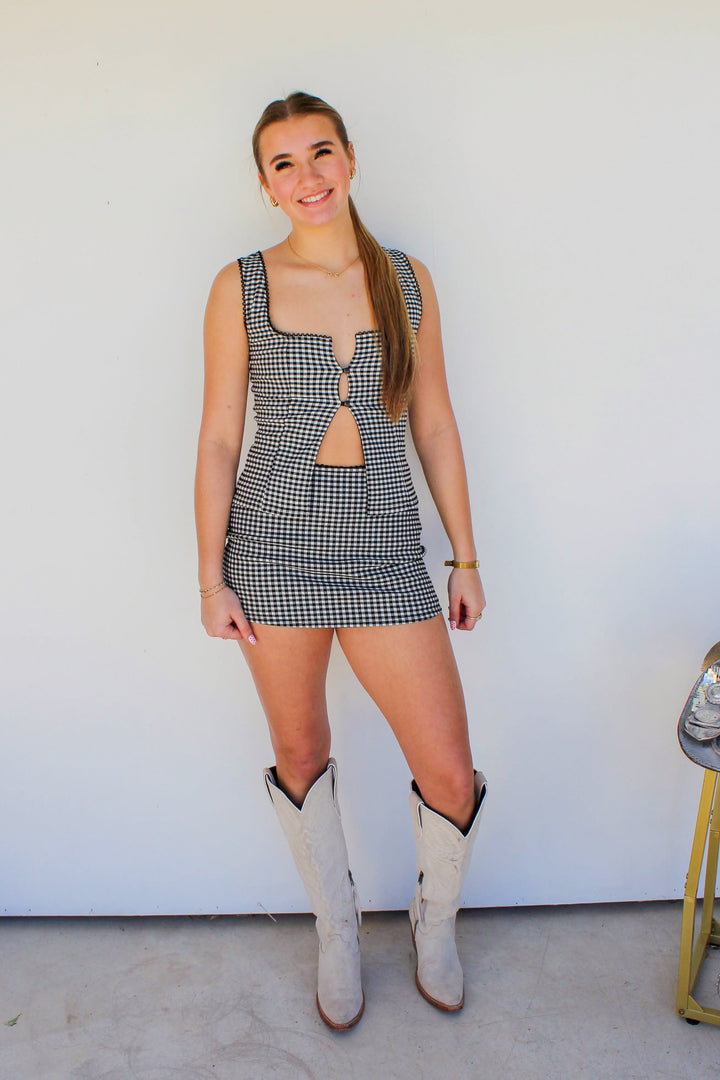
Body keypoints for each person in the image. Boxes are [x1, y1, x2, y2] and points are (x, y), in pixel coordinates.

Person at [194, 91, 487, 1030]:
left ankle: (433, 925)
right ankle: (338, 929)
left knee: (449, 770)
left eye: (321, 154)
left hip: (386, 541)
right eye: (284, 163)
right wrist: (211, 576)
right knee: (300, 751)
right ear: (266, 183)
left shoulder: (406, 279)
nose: (307, 177)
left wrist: (464, 557)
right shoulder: (237, 285)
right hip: (273, 546)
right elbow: (216, 440)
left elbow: (433, 421)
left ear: (351, 159)